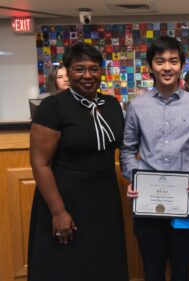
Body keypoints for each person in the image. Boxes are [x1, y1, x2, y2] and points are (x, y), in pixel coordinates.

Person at [28, 42, 128, 280]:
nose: (87, 75)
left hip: (104, 198)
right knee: (68, 266)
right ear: (68, 71)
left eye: (94, 69)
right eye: (79, 69)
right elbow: (40, 164)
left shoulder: (111, 105)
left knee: (103, 261)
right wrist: (59, 211)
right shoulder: (53, 107)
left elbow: (123, 146)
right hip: (66, 199)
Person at [120, 36, 189, 281]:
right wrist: (135, 177)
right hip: (147, 201)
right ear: (150, 66)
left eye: (173, 61)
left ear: (182, 65)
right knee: (153, 270)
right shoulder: (137, 106)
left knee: (182, 270)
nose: (167, 67)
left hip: (185, 199)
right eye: (160, 61)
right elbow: (127, 150)